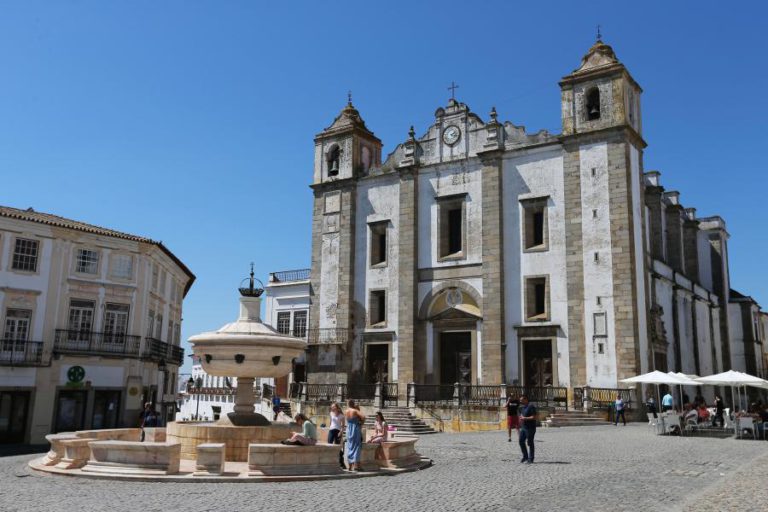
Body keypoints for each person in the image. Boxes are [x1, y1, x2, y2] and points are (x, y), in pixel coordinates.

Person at [344, 399, 366, 471]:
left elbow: (347, 420)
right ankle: (356, 466)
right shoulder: (355, 411)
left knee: (349, 446)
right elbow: (363, 417)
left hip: (348, 429)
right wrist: (361, 423)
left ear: (348, 404)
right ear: (353, 403)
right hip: (355, 428)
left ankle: (350, 466)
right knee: (356, 446)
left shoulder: (346, 411)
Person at [518, 395, 537, 464]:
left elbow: (534, 417)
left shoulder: (531, 407)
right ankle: (525, 456)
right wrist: (521, 419)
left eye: (521, 400)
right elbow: (522, 416)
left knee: (530, 443)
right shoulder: (522, 408)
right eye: (520, 400)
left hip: (530, 428)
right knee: (521, 441)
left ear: (526, 400)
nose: (520, 401)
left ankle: (531, 458)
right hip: (523, 427)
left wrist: (524, 418)